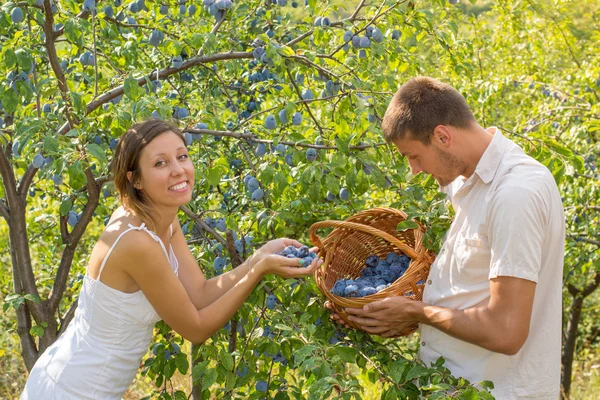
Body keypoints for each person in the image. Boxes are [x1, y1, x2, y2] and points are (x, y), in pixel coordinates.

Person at [21, 119, 321, 399]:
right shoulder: (136, 242)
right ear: (135, 179)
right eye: (160, 163)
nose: (178, 170)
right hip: (73, 388)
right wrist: (259, 271)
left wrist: (258, 257)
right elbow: (196, 327)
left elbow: (199, 295)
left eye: (182, 156)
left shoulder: (162, 219)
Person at [328, 77, 565, 399]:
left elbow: (506, 332)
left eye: (413, 156)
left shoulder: (514, 195)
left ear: (442, 136)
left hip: (497, 391)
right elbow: (470, 284)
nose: (413, 170)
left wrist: (418, 312)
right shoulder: (465, 181)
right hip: (452, 386)